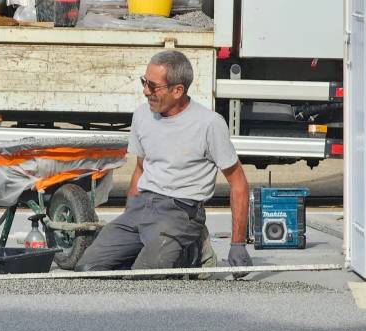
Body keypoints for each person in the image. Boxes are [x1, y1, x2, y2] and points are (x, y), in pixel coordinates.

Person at [75, 50, 253, 277]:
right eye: (144, 82)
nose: (145, 91)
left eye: (153, 86)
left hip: (179, 214)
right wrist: (129, 220)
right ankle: (156, 249)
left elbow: (238, 183)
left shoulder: (209, 124)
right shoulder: (142, 115)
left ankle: (194, 249)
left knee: (145, 277)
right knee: (87, 270)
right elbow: (140, 169)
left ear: (178, 90)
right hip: (142, 207)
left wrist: (237, 244)